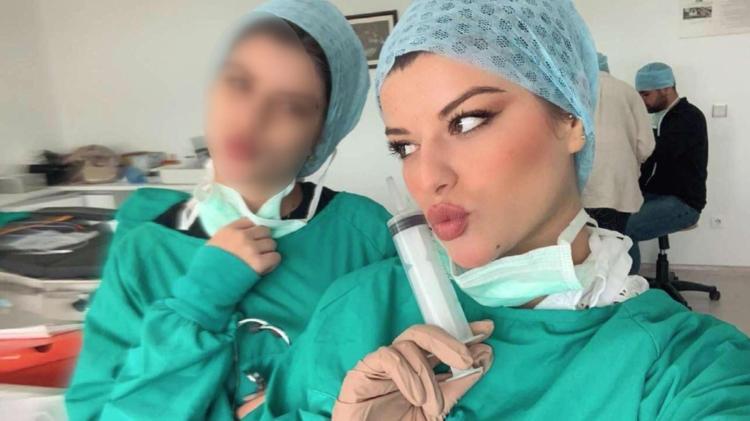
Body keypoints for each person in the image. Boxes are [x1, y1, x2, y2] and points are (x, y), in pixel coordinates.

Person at [243, 1, 750, 420]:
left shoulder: (685, 366)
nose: (427, 177)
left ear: (571, 120)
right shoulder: (358, 307)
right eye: (404, 146)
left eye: (466, 122)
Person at [64, 1, 396, 419]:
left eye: (291, 105)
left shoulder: (366, 236)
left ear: (322, 134)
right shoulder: (145, 253)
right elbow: (96, 413)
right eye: (239, 83)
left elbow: (412, 386)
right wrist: (200, 299)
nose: (251, 117)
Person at [626, 62, 708, 274]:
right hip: (658, 195)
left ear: (665, 88)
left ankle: (629, 287)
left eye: (646, 94)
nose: (641, 101)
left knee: (626, 228)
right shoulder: (661, 118)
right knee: (614, 219)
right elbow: (649, 162)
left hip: (684, 203)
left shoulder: (688, 117)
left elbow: (660, 153)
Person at [583, 53, 655, 233]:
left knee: (584, 244)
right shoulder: (629, 92)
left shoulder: (570, 93)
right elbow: (646, 145)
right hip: (620, 187)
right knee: (616, 242)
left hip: (582, 188)